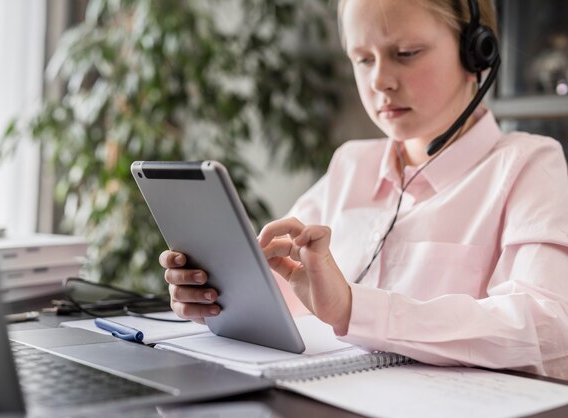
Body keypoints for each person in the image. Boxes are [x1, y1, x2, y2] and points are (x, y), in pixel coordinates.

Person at [160, 0, 568, 379]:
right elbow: (278, 292)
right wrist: (216, 297)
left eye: (406, 53)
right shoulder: (350, 164)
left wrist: (354, 309)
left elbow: (548, 328)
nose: (380, 81)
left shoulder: (529, 165)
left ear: (478, 51)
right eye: (362, 59)